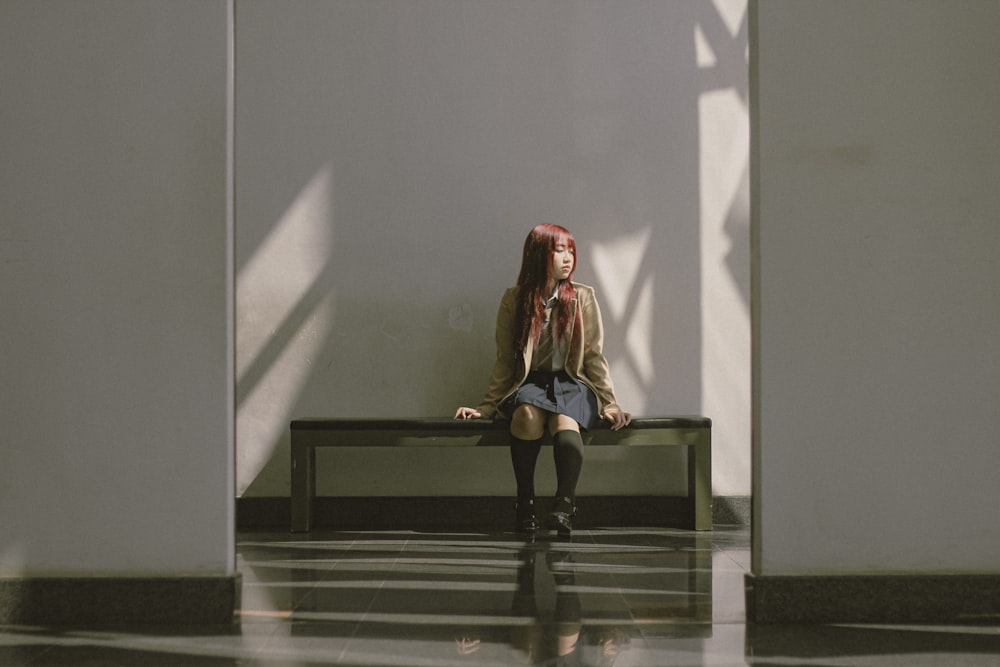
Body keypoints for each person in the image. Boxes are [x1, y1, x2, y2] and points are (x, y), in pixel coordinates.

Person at [455, 224, 631, 536]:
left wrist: (610, 403)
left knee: (565, 422)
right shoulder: (515, 300)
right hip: (531, 383)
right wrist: (486, 407)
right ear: (538, 254)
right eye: (559, 249)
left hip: (571, 381)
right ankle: (525, 503)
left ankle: (565, 506)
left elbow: (593, 356)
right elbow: (505, 360)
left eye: (571, 250)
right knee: (525, 417)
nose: (568, 258)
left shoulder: (582, 297)